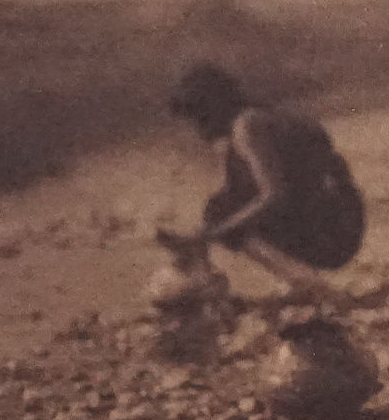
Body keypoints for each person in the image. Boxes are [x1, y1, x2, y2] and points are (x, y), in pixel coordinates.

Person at [154, 63, 365, 311]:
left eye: (197, 120)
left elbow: (275, 195)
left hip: (333, 229)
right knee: (223, 207)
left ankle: (311, 285)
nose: (198, 131)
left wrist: (215, 232)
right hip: (337, 217)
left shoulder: (247, 127)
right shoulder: (253, 120)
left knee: (222, 213)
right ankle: (203, 276)